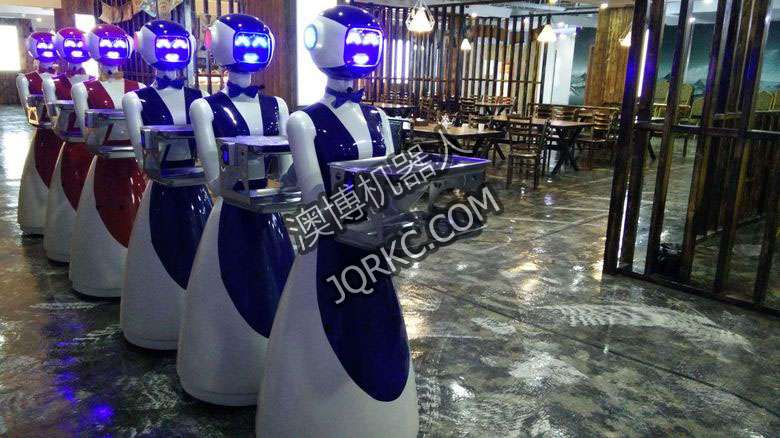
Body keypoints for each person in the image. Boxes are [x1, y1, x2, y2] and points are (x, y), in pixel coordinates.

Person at [257, 6, 418, 437]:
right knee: (326, 334)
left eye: (369, 42)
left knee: (378, 334)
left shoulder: (379, 117)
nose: (363, 50)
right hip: (329, 248)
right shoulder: (302, 121)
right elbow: (315, 199)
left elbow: (393, 177)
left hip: (372, 245)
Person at [178, 13, 294, 406]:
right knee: (232, 293)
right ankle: (228, 373)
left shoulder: (277, 105)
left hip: (270, 216)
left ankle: (276, 372)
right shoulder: (205, 107)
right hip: (232, 213)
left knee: (276, 287)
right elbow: (214, 180)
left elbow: (287, 169)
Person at [121, 20, 211, 350]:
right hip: (162, 190)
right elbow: (142, 156)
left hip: (197, 190)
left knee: (200, 257)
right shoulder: (136, 100)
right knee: (162, 257)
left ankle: (200, 328)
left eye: (178, 44)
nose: (172, 51)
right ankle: (160, 324)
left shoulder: (200, 98)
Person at [69, 24, 145, 297]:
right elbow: (87, 134)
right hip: (105, 165)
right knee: (105, 216)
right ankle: (103, 276)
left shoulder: (138, 88)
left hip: (136, 166)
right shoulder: (83, 89)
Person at [42, 27, 94, 263]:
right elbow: (56, 123)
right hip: (72, 147)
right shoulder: (53, 84)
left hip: (97, 153)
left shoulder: (93, 84)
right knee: (71, 194)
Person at [16, 31, 61, 235]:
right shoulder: (26, 79)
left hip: (67, 137)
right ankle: (39, 220)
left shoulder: (66, 79)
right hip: (46, 136)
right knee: (42, 176)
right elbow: (31, 114)